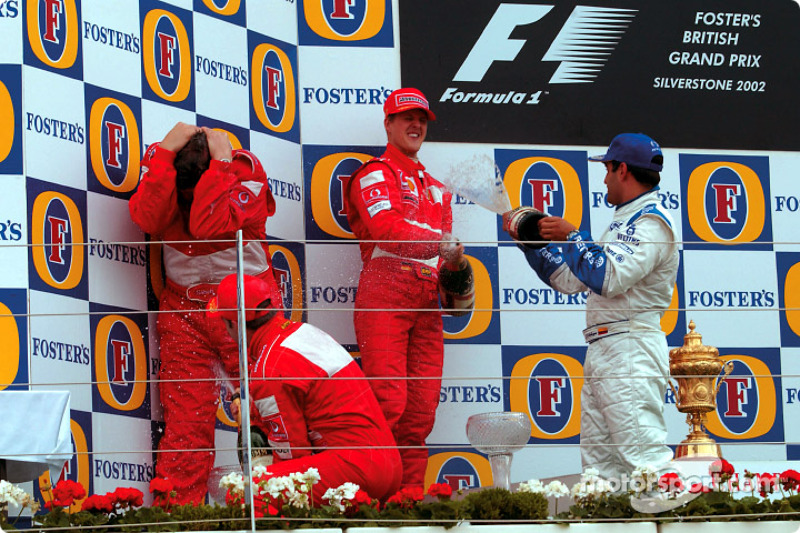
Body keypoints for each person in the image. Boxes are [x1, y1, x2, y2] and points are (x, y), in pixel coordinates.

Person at [503, 133, 679, 483]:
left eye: (607, 169)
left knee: (646, 462)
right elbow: (572, 280)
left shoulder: (650, 221)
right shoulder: (626, 219)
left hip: (630, 346)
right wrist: (532, 243)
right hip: (606, 346)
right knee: (601, 475)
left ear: (623, 169)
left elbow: (608, 277)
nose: (604, 179)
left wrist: (572, 236)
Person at [129, 122, 281, 504]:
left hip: (248, 312)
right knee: (185, 429)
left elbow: (206, 224)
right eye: (182, 194)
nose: (184, 201)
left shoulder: (244, 168)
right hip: (184, 312)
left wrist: (222, 166)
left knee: (272, 414)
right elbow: (147, 218)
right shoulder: (164, 160)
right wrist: (164, 155)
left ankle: (285, 510)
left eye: (192, 192)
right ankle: (179, 523)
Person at [345, 88, 474, 489]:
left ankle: (408, 501)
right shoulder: (374, 174)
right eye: (406, 118)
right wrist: (441, 244)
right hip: (385, 294)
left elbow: (444, 251)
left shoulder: (437, 187)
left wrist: (456, 272)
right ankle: (372, 498)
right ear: (388, 124)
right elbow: (387, 228)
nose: (415, 125)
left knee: (420, 413)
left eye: (421, 119)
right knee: (388, 403)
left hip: (426, 301)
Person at [210, 273, 402, 503]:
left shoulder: (268, 368)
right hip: (389, 464)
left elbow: (292, 456)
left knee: (245, 494)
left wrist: (261, 479)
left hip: (355, 468)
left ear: (234, 323)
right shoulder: (303, 333)